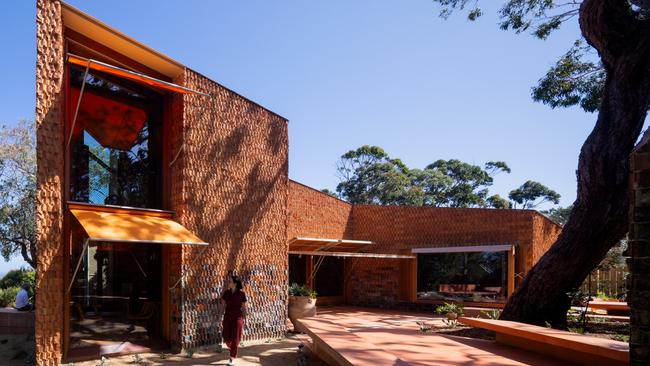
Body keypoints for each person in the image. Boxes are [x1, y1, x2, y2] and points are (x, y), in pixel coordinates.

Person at [220, 275, 247, 366]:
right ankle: (232, 348)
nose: (229, 282)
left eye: (230, 281)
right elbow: (223, 305)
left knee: (235, 338)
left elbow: (244, 308)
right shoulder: (226, 293)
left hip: (238, 318)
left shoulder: (241, 294)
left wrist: (244, 319)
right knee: (226, 338)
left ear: (235, 284)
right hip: (227, 317)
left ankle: (232, 358)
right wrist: (220, 316)